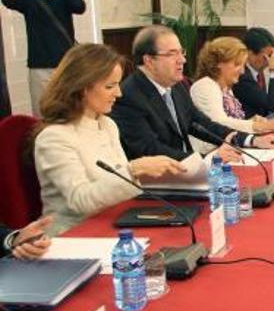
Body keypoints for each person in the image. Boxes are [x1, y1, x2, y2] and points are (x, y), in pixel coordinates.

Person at [34, 44, 186, 236]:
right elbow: (80, 201)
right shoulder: (54, 138)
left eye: (118, 84)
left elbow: (124, 189)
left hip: (116, 223)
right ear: (82, 87)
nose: (119, 93)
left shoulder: (107, 125)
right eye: (110, 86)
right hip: (73, 236)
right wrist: (134, 170)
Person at [110, 26, 274, 163]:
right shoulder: (128, 96)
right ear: (149, 61)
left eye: (181, 52)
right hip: (160, 185)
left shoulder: (175, 87)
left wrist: (250, 140)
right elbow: (150, 150)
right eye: (172, 54)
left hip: (190, 173)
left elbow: (202, 124)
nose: (182, 60)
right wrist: (208, 159)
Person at [2, 0, 86, 116]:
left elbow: (80, 7)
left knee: (72, 110)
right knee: (42, 113)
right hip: (39, 67)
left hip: (67, 66)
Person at [190, 37, 274, 154]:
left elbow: (231, 121)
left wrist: (250, 121)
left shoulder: (226, 88)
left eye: (243, 65)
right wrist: (261, 126)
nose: (242, 71)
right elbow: (219, 123)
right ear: (219, 63)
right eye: (237, 65)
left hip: (230, 149)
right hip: (211, 155)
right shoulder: (205, 86)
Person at [233, 27, 274, 118]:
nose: (270, 60)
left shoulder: (258, 72)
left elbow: (266, 101)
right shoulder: (242, 77)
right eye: (268, 55)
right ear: (249, 54)